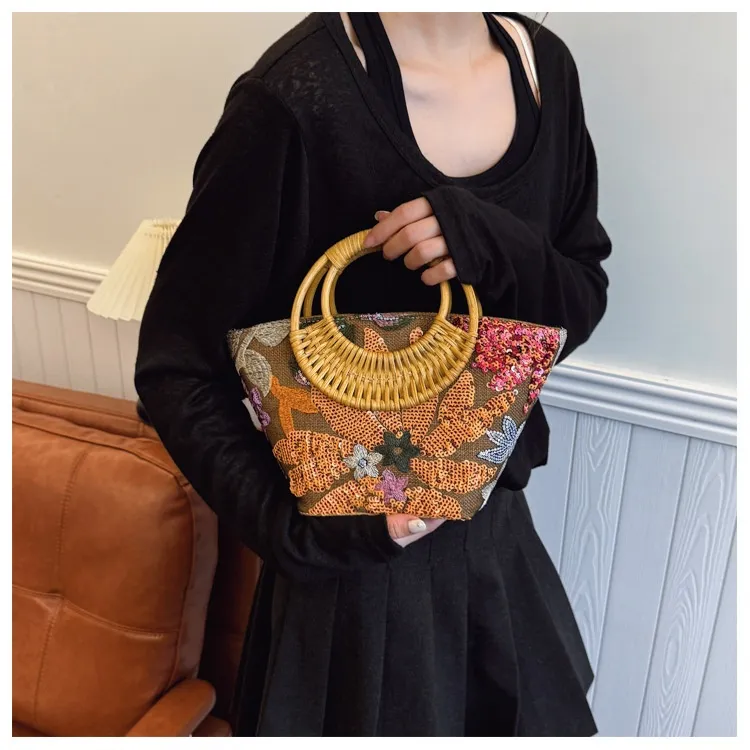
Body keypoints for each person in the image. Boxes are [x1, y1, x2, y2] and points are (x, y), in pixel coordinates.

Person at [135, 12, 611, 737]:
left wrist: (489, 242)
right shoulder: (294, 97)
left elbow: (578, 299)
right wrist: (302, 536)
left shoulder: (546, 70)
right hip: (346, 604)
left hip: (496, 553)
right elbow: (176, 368)